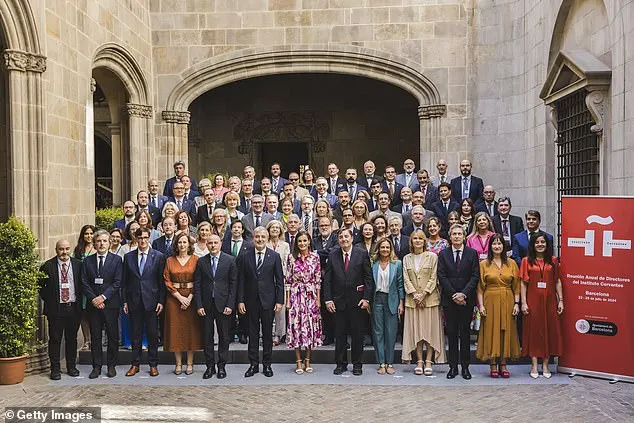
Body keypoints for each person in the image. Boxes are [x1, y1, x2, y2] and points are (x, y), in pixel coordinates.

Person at [324, 229, 374, 376]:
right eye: (341, 237)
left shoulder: (362, 253)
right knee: (340, 335)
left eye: (346, 236)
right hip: (338, 302)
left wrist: (366, 298)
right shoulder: (333, 255)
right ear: (338, 240)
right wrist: (328, 300)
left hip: (357, 302)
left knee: (358, 336)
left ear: (352, 238)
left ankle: (357, 364)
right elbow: (327, 280)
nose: (343, 239)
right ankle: (341, 364)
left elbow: (368, 278)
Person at [237, 227, 284, 378]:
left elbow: (280, 281)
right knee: (252, 333)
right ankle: (253, 365)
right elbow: (241, 281)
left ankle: (267, 365)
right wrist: (241, 300)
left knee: (267, 335)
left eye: (263, 237)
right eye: (257, 237)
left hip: (268, 301)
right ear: (253, 238)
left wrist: (279, 300)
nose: (260, 239)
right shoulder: (245, 256)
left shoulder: (274, 256)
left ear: (267, 238)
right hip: (250, 301)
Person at [121, 227, 166, 377]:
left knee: (153, 334)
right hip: (134, 301)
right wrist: (125, 301)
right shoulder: (128, 257)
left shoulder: (158, 256)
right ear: (136, 238)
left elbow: (161, 281)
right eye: (140, 238)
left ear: (149, 238)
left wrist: (161, 301)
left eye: (146, 238)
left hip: (152, 301)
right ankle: (135, 364)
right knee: (136, 334)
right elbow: (124, 282)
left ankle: (153, 364)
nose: (143, 241)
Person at [437, 224, 479, 380]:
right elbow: (441, 276)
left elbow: (475, 276)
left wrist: (463, 294)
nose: (456, 236)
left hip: (466, 301)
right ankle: (453, 367)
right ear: (450, 236)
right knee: (452, 335)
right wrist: (454, 294)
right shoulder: (443, 254)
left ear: (464, 236)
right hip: (450, 300)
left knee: (465, 334)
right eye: (453, 234)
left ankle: (465, 367)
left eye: (459, 234)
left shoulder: (472, 254)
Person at [476, 234, 521, 378]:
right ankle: (493, 363)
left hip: (507, 299)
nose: (497, 246)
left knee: (505, 330)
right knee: (491, 330)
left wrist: (516, 303)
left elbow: (517, 286)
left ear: (504, 246)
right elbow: (480, 287)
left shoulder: (512, 263)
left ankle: (503, 363)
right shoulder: (484, 264)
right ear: (490, 246)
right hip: (490, 299)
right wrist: (481, 306)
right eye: (494, 244)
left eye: (499, 244)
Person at [520, 232, 563, 379]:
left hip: (550, 301)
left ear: (547, 244)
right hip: (533, 301)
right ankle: (533, 365)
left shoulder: (553, 260)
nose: (540, 245)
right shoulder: (526, 261)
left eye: (543, 242)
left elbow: (557, 281)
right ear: (533, 244)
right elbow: (523, 283)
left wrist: (561, 300)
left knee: (548, 331)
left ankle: (545, 365)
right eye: (537, 242)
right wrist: (523, 302)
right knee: (534, 332)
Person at [402, 230, 445, 375]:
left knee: (430, 332)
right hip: (412, 300)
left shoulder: (432, 257)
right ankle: (419, 361)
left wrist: (424, 294)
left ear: (424, 241)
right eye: (415, 238)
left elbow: (434, 277)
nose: (418, 241)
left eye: (420, 238)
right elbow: (405, 278)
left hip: (430, 300)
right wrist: (415, 294)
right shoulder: (406, 258)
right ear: (411, 241)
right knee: (417, 332)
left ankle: (428, 361)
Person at [195, 234, 238, 379]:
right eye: (210, 243)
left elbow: (233, 285)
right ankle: (210, 366)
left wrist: (230, 304)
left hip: (223, 304)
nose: (213, 245)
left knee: (224, 336)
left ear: (220, 244)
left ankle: (221, 366)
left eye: (215, 243)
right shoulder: (201, 262)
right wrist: (199, 304)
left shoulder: (230, 260)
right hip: (206, 305)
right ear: (206, 245)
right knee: (207, 337)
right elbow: (198, 285)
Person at [81, 230, 123, 379]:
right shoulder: (88, 261)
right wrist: (94, 299)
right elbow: (84, 282)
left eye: (104, 241)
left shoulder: (117, 260)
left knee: (112, 336)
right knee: (96, 337)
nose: (101, 244)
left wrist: (103, 297)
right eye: (98, 241)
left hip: (110, 305)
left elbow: (117, 282)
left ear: (109, 242)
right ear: (94, 243)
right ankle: (96, 367)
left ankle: (111, 366)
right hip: (93, 306)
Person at [39, 239, 83, 380]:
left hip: (73, 308)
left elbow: (82, 285)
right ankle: (55, 369)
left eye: (66, 249)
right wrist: (51, 300)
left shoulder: (78, 265)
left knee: (72, 339)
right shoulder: (47, 266)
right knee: (55, 340)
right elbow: (40, 287)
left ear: (70, 249)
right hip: (56, 310)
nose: (64, 252)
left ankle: (71, 367)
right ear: (56, 250)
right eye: (61, 249)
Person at [163, 232, 202, 376]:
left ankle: (190, 363)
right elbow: (167, 280)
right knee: (176, 331)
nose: (182, 245)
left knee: (191, 331)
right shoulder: (169, 261)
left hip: (192, 298)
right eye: (179, 242)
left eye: (185, 242)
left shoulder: (196, 260)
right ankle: (178, 363)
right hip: (174, 299)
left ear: (189, 244)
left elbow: (199, 280)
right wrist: (179, 297)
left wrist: (190, 297)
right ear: (176, 245)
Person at [285, 231, 323, 374]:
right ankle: (298, 361)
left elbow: (318, 279)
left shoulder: (315, 257)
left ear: (309, 242)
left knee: (310, 327)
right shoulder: (291, 258)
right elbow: (288, 280)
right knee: (297, 327)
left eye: (304, 241)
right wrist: (287, 300)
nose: (302, 243)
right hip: (296, 294)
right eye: (299, 241)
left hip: (311, 295)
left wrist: (318, 299)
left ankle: (308, 359)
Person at [371, 237, 404, 375]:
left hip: (392, 300)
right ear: (378, 248)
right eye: (382, 247)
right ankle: (381, 363)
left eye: (387, 247)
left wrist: (401, 303)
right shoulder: (373, 263)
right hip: (377, 299)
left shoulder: (397, 264)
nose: (385, 250)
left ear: (391, 249)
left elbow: (400, 285)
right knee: (378, 333)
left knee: (390, 333)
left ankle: (390, 362)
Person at [221, 219, 252, 345]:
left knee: (243, 307)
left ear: (243, 230)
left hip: (243, 279)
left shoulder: (249, 245)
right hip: (228, 279)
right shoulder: (224, 244)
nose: (236, 230)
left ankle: (243, 333)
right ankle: (230, 332)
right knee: (230, 306)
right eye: (234, 227)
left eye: (239, 227)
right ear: (231, 229)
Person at [266, 219, 291, 346]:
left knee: (280, 308)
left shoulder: (285, 245)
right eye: (272, 227)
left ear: (281, 230)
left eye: (277, 228)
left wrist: (283, 276)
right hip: (267, 280)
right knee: (267, 307)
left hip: (281, 279)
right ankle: (267, 334)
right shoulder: (264, 243)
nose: (275, 229)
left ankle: (278, 334)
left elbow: (287, 263)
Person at [73, 224, 96, 352]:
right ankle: (87, 340)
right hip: (81, 287)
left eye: (91, 233)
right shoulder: (78, 250)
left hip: (94, 287)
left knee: (94, 315)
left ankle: (95, 339)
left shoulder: (98, 247)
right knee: (83, 315)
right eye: (86, 233)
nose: (89, 236)